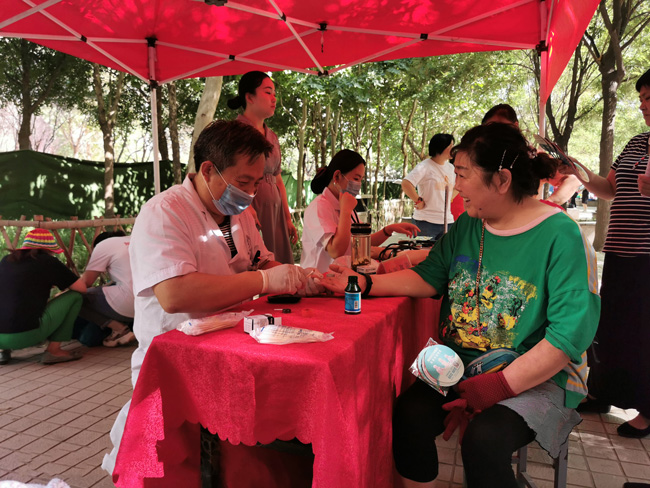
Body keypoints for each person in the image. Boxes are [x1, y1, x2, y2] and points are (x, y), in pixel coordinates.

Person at [319, 123, 600, 488]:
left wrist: (497, 387)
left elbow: (567, 337)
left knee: (484, 442)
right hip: (458, 365)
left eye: (464, 174)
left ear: (502, 179)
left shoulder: (561, 235)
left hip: (537, 375)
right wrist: (364, 284)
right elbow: (429, 276)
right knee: (408, 416)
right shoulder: (469, 224)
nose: (457, 185)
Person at [102, 119, 319, 474]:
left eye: (256, 183)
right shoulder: (165, 212)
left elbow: (259, 259)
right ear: (208, 170)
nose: (250, 194)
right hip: (177, 356)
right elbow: (174, 294)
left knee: (241, 456)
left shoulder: (240, 214)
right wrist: (264, 280)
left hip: (231, 348)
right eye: (243, 183)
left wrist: (296, 276)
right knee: (172, 465)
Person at [572, 68, 650, 439]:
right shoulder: (637, 142)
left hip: (648, 258)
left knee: (643, 332)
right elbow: (608, 188)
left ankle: (647, 410)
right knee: (611, 326)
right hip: (620, 251)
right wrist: (578, 171)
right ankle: (601, 392)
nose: (644, 105)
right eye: (642, 98)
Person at [301, 149, 420, 273]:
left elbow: (361, 243)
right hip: (319, 279)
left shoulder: (345, 206)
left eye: (361, 180)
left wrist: (389, 230)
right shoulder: (319, 207)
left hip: (343, 276)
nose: (358, 185)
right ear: (337, 176)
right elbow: (335, 251)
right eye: (356, 178)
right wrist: (346, 211)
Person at [227, 71, 297, 264]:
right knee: (257, 261)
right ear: (249, 97)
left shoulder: (272, 136)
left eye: (274, 93)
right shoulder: (234, 133)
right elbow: (228, 176)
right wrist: (246, 207)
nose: (274, 98)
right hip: (250, 205)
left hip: (275, 209)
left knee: (279, 262)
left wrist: (287, 217)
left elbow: (278, 179)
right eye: (268, 92)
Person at [0, 228, 86, 365]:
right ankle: (54, 351)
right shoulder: (48, 262)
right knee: (75, 296)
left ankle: (3, 351)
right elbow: (81, 288)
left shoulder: (6, 260)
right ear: (48, 249)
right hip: (26, 336)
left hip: (1, 338)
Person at [482, 103, 582, 207]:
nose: (496, 134)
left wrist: (546, 205)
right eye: (490, 129)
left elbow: (573, 179)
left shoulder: (532, 157)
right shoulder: (476, 157)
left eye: (502, 128)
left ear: (515, 126)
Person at [78, 230, 135, 347]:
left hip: (128, 303)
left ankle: (120, 329)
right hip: (155, 303)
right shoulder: (136, 239)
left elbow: (86, 283)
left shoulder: (104, 245)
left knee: (76, 297)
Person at [401, 134, 457, 240]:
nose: (453, 149)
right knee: (424, 250)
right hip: (425, 222)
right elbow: (406, 183)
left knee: (446, 250)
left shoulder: (451, 168)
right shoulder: (425, 166)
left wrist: (448, 198)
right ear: (440, 147)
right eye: (450, 146)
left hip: (447, 222)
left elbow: (457, 186)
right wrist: (418, 201)